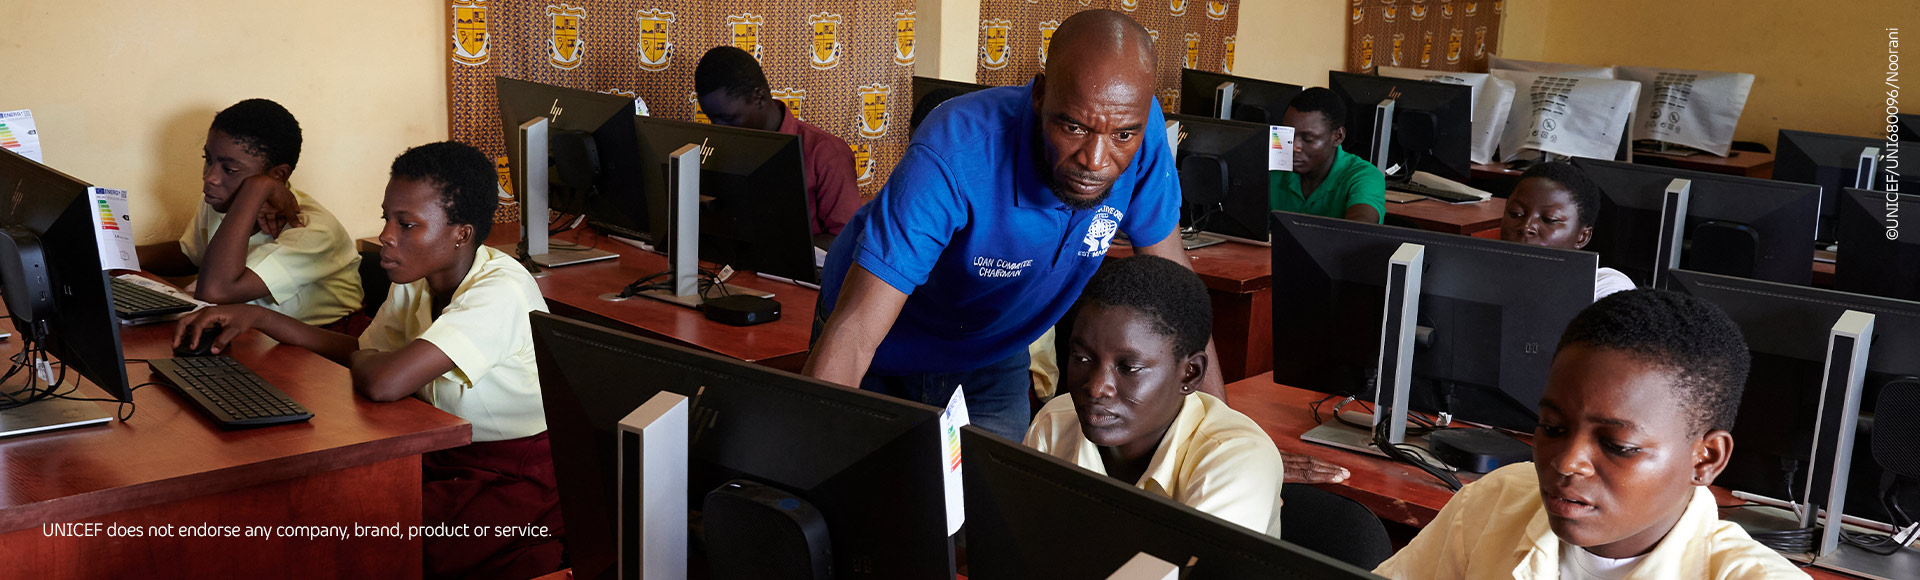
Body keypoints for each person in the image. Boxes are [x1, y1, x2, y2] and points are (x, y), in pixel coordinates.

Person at [804, 9, 1221, 442]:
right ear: (1040, 96)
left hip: (991, 350)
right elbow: (855, 331)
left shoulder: (1136, 122)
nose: (1096, 161)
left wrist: (1228, 442)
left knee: (989, 501)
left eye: (1123, 135)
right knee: (857, 490)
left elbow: (1177, 298)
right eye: (1073, 127)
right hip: (881, 345)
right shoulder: (956, 149)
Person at [173, 141, 561, 580]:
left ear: (461, 234)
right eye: (386, 218)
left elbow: (384, 381)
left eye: (407, 224)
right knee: (305, 503)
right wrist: (261, 318)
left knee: (356, 536)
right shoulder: (419, 276)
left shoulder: (500, 291)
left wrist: (378, 362)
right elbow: (363, 354)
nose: (386, 237)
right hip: (435, 453)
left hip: (508, 477)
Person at [1373, 290, 1803, 579]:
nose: (1566, 462)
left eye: (1618, 446)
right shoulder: (1496, 501)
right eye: (1552, 428)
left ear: (1705, 458)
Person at [1026, 256, 1286, 537]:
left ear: (1190, 374)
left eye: (1129, 368)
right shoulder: (1054, 424)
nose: (1097, 387)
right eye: (1082, 358)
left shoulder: (1237, 461)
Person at [136, 98, 362, 327]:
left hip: (317, 347)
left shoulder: (311, 230)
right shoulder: (220, 198)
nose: (210, 177)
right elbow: (191, 255)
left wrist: (256, 189)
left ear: (277, 176)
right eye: (208, 160)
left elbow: (215, 291)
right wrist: (113, 256)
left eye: (230, 169)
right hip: (246, 332)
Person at [695, 45, 861, 243]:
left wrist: (772, 250)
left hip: (797, 272)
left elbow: (845, 241)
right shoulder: (718, 147)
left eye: (729, 118)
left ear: (760, 98)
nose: (720, 129)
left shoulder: (827, 153)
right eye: (712, 119)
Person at [1499, 161, 1637, 300]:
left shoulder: (1607, 288)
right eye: (1516, 213)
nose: (1526, 227)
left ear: (1582, 236)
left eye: (1549, 219)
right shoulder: (1482, 272)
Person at [1269, 87, 1385, 224]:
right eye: (1288, 135)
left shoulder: (1364, 176)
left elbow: (1360, 230)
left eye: (1307, 138)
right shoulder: (1272, 169)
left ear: (1338, 137)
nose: (1294, 147)